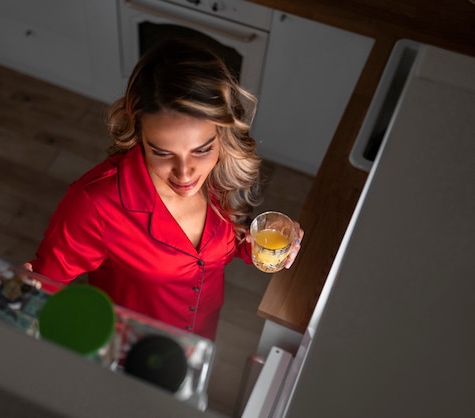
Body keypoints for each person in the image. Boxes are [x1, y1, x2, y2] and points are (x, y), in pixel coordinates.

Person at [27, 39, 303, 341]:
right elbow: (43, 288)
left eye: (201, 150)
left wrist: (258, 241)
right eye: (162, 152)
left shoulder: (220, 176)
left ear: (222, 135)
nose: (185, 174)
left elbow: (224, 245)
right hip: (129, 346)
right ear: (138, 132)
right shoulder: (95, 205)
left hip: (201, 332)